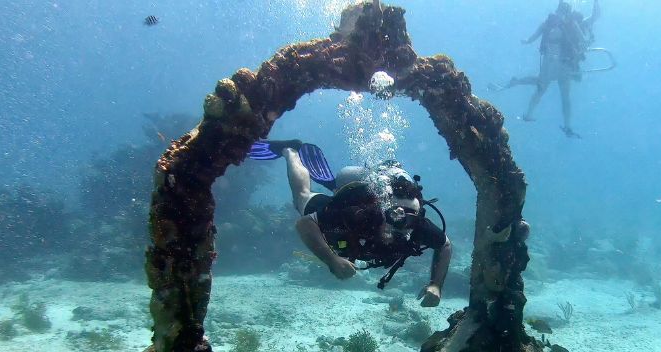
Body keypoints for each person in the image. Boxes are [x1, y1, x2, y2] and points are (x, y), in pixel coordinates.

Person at [248, 139, 452, 307]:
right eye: (395, 216)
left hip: (366, 199)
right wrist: (331, 260)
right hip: (351, 200)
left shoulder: (417, 226)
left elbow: (445, 245)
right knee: (301, 198)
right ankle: (290, 151)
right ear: (382, 212)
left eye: (410, 219)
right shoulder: (358, 213)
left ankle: (333, 184)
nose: (402, 225)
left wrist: (436, 285)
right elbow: (304, 224)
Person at [492, 0, 600, 137]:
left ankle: (524, 104)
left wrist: (526, 41)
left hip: (555, 65)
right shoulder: (573, 24)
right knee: (557, 94)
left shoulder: (550, 23)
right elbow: (588, 31)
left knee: (541, 87)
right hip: (564, 67)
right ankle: (565, 126)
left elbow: (532, 38)